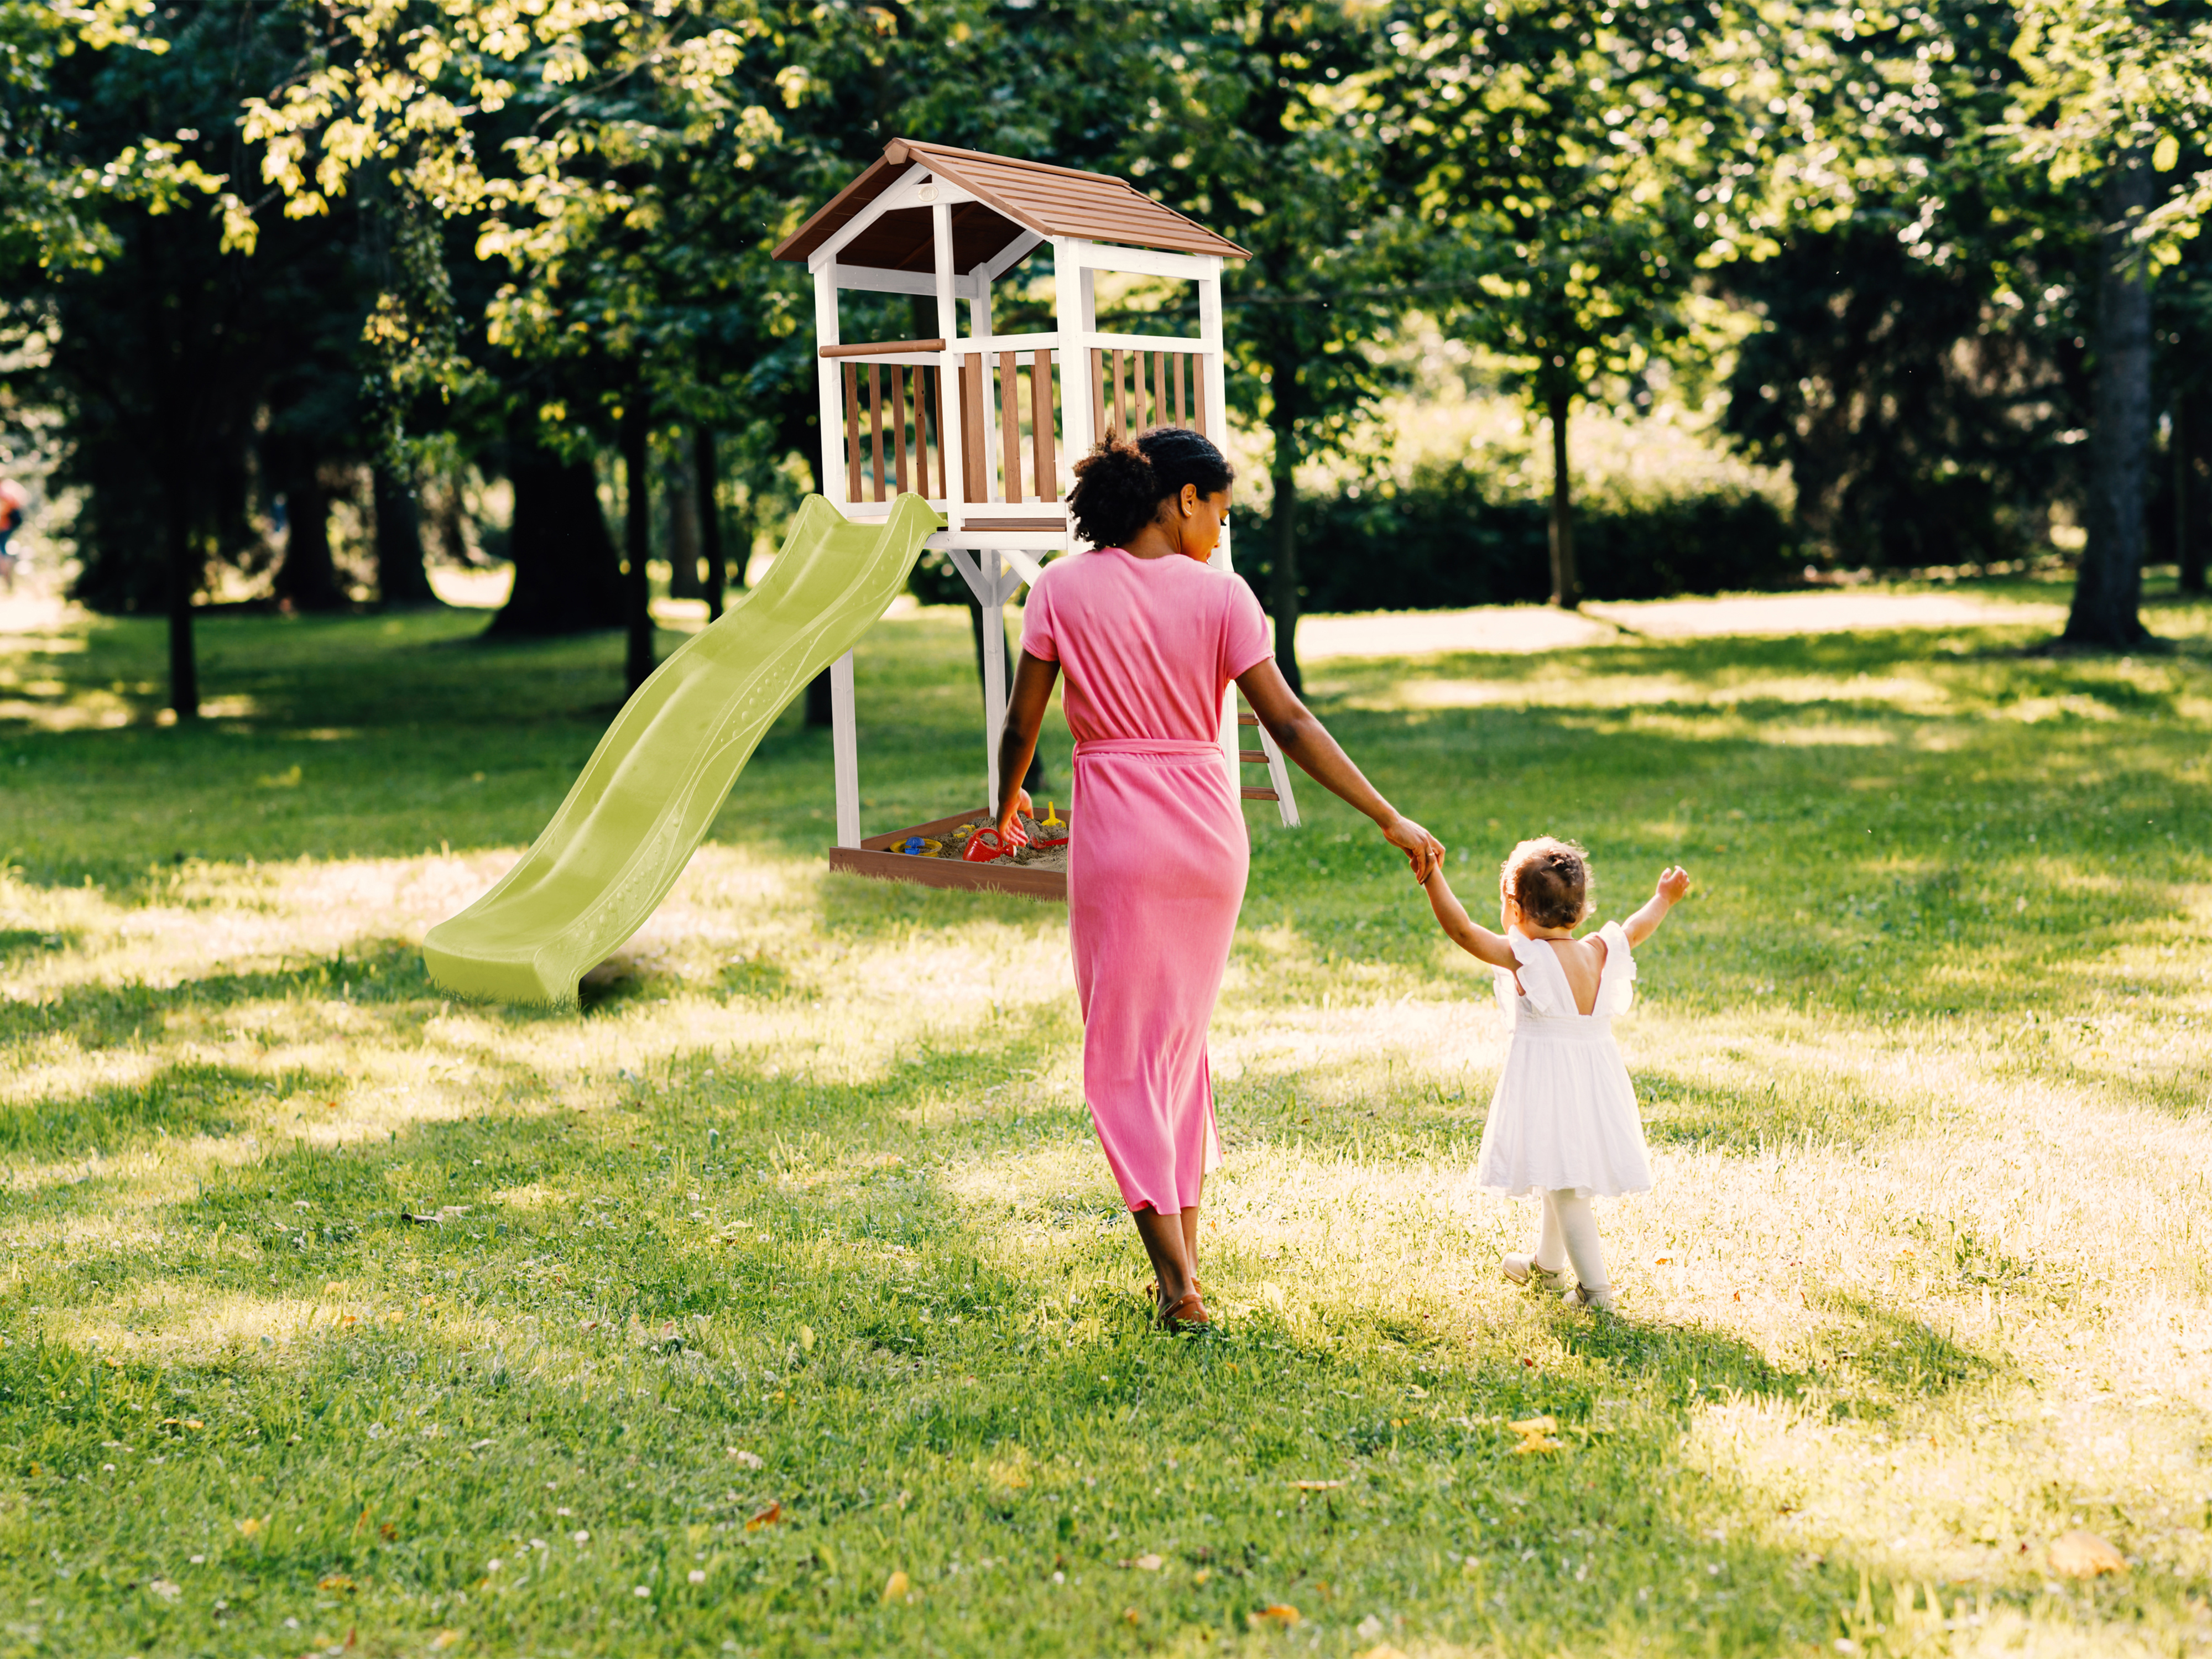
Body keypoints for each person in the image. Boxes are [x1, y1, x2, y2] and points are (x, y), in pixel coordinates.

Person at [992, 427, 1443, 1331]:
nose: (1221, 533)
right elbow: (1290, 723)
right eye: (1222, 512)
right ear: (1183, 499)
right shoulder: (1224, 598)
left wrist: (1003, 807)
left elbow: (1021, 725)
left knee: (1123, 1058)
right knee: (1177, 1052)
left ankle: (1177, 1286)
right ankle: (1186, 1268)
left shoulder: (1059, 589)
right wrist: (1386, 813)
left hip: (1118, 838)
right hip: (1208, 839)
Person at [1418, 838, 1691, 1311]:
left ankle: (1595, 1292)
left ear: (1515, 908)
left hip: (1551, 1084)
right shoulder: (1599, 950)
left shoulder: (1527, 958)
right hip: (1594, 1082)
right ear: (1581, 911)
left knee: (1566, 1188)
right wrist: (1663, 898)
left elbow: (1462, 931)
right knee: (1556, 1170)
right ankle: (1547, 1266)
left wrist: (1431, 876)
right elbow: (1636, 927)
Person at [0, 478, 27, 595]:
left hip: (7, 524)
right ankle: (7, 577)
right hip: (10, 523)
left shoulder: (4, 491)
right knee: (3, 549)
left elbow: (5, 509)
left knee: (2, 550)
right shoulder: (8, 486)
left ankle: (6, 575)